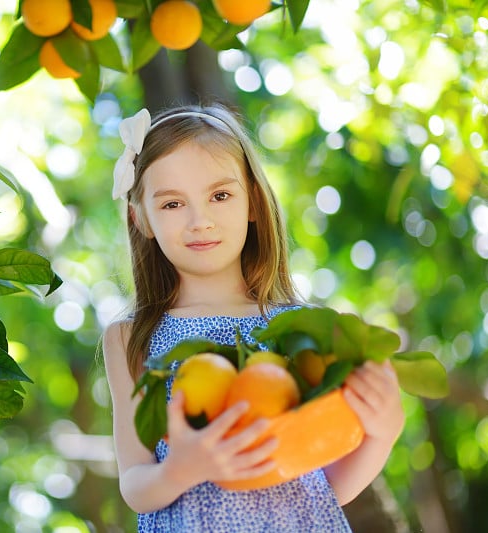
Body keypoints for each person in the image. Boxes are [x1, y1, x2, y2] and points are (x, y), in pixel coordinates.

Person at [101, 103, 405, 532]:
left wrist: (382, 434)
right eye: (172, 204)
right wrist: (182, 470)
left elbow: (324, 486)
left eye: (220, 196)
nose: (199, 221)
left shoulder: (306, 329)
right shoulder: (130, 338)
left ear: (253, 203)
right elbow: (134, 482)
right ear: (141, 218)